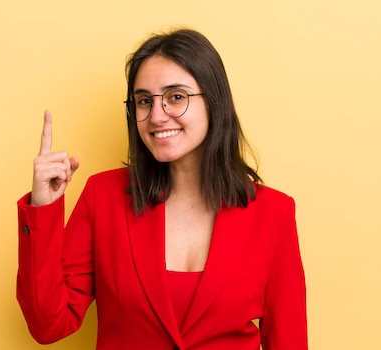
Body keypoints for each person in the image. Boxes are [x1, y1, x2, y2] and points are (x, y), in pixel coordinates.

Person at [16, 28, 307, 350]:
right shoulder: (103, 196)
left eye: (176, 97)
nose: (156, 116)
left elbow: (288, 340)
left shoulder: (273, 212)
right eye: (144, 101)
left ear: (214, 101)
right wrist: (43, 208)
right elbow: (48, 325)